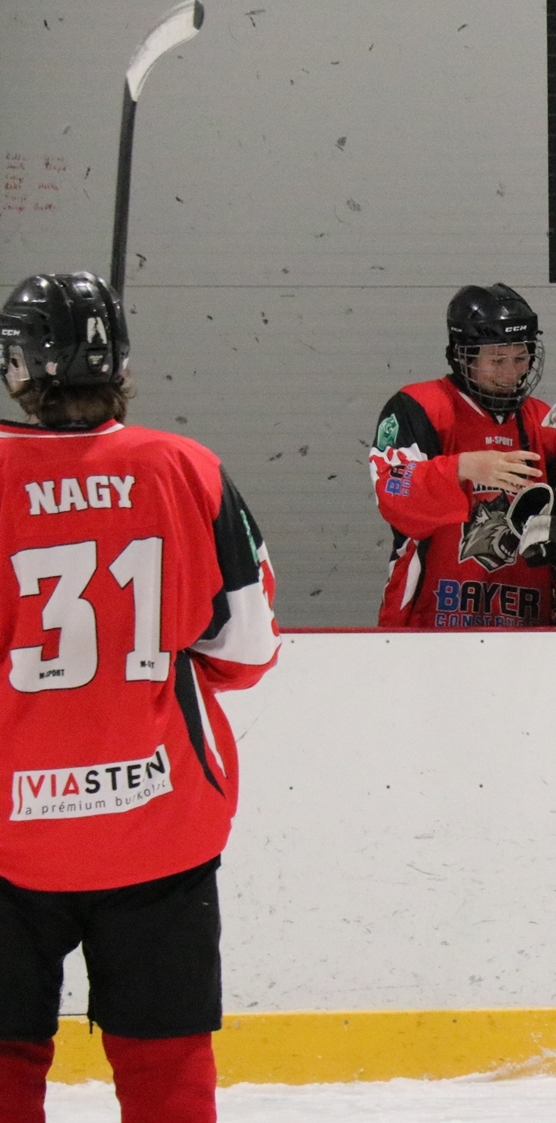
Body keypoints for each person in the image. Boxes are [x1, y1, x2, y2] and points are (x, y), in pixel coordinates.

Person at [0, 272, 280, 1123]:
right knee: (166, 1065)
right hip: (160, 828)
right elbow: (249, 648)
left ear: (20, 365)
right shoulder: (187, 468)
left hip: (10, 835)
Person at [369, 284, 556, 629]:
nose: (511, 373)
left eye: (520, 357)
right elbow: (392, 491)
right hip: (427, 623)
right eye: (496, 360)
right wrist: (463, 467)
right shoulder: (420, 407)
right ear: (464, 356)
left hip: (529, 626)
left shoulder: (551, 426)